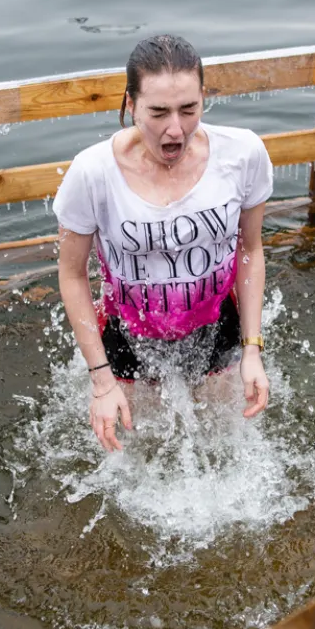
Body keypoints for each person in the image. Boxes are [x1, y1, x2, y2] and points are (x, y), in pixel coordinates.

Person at [52, 34, 273, 452]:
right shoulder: (92, 174)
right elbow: (71, 274)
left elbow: (251, 250)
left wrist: (252, 350)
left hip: (215, 324)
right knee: (138, 456)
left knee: (225, 446)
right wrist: (101, 381)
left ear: (204, 98)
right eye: (158, 112)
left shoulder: (242, 155)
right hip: (129, 334)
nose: (176, 129)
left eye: (189, 109)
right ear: (130, 105)